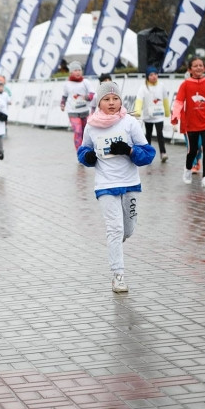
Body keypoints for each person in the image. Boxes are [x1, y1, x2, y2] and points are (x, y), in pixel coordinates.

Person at [76, 82, 156, 293]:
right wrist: (88, 157)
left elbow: (148, 154)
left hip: (130, 183)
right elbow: (83, 151)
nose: (111, 103)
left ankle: (118, 241)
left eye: (115, 99)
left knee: (127, 229)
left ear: (120, 100)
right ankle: (118, 275)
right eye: (106, 99)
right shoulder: (91, 125)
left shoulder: (130, 123)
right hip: (105, 185)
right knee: (115, 228)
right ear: (99, 102)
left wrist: (129, 151)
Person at [171, 56, 205, 188]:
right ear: (190, 69)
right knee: (192, 150)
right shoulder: (185, 84)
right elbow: (179, 102)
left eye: (201, 65)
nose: (199, 68)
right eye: (195, 66)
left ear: (204, 68)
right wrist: (175, 116)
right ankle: (188, 169)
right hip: (191, 124)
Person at [133, 69, 170, 162]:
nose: (154, 76)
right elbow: (139, 100)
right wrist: (137, 111)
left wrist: (167, 111)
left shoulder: (162, 86)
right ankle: (147, 153)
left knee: (160, 134)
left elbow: (165, 99)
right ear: (147, 76)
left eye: (155, 74)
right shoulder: (143, 88)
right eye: (151, 75)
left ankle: (163, 153)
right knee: (148, 135)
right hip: (148, 116)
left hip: (159, 116)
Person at [60, 61, 94, 150]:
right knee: (78, 131)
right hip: (72, 112)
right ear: (71, 72)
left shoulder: (85, 82)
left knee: (85, 133)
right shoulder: (67, 84)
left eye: (79, 70)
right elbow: (64, 95)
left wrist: (86, 97)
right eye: (75, 70)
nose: (78, 72)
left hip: (85, 111)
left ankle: (86, 151)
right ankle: (80, 152)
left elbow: (92, 94)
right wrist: (62, 104)